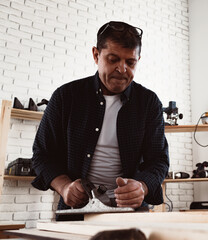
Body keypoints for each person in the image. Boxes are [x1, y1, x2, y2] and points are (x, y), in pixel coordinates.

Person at [31, 21, 169, 221]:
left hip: (130, 215)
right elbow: (42, 155)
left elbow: (158, 160)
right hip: (75, 214)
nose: (122, 69)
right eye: (113, 59)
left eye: (131, 63)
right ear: (96, 55)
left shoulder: (149, 103)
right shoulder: (65, 97)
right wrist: (65, 187)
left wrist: (142, 187)